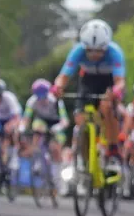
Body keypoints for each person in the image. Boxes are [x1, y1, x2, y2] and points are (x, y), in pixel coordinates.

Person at [52, 19, 125, 157]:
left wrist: (116, 91)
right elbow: (63, 76)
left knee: (108, 108)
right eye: (89, 51)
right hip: (88, 81)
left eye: (99, 51)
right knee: (80, 117)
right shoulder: (77, 51)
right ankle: (82, 153)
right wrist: (58, 87)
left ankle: (113, 148)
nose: (94, 55)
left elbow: (119, 81)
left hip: (109, 82)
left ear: (106, 46)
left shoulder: (115, 52)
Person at [20, 78, 70, 168]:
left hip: (56, 124)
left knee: (55, 148)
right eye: (39, 97)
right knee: (37, 126)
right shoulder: (31, 101)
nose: (42, 100)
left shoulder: (56, 101)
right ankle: (37, 155)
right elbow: (26, 118)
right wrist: (22, 127)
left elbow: (65, 121)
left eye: (44, 97)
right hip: (42, 122)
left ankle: (59, 170)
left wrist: (58, 127)